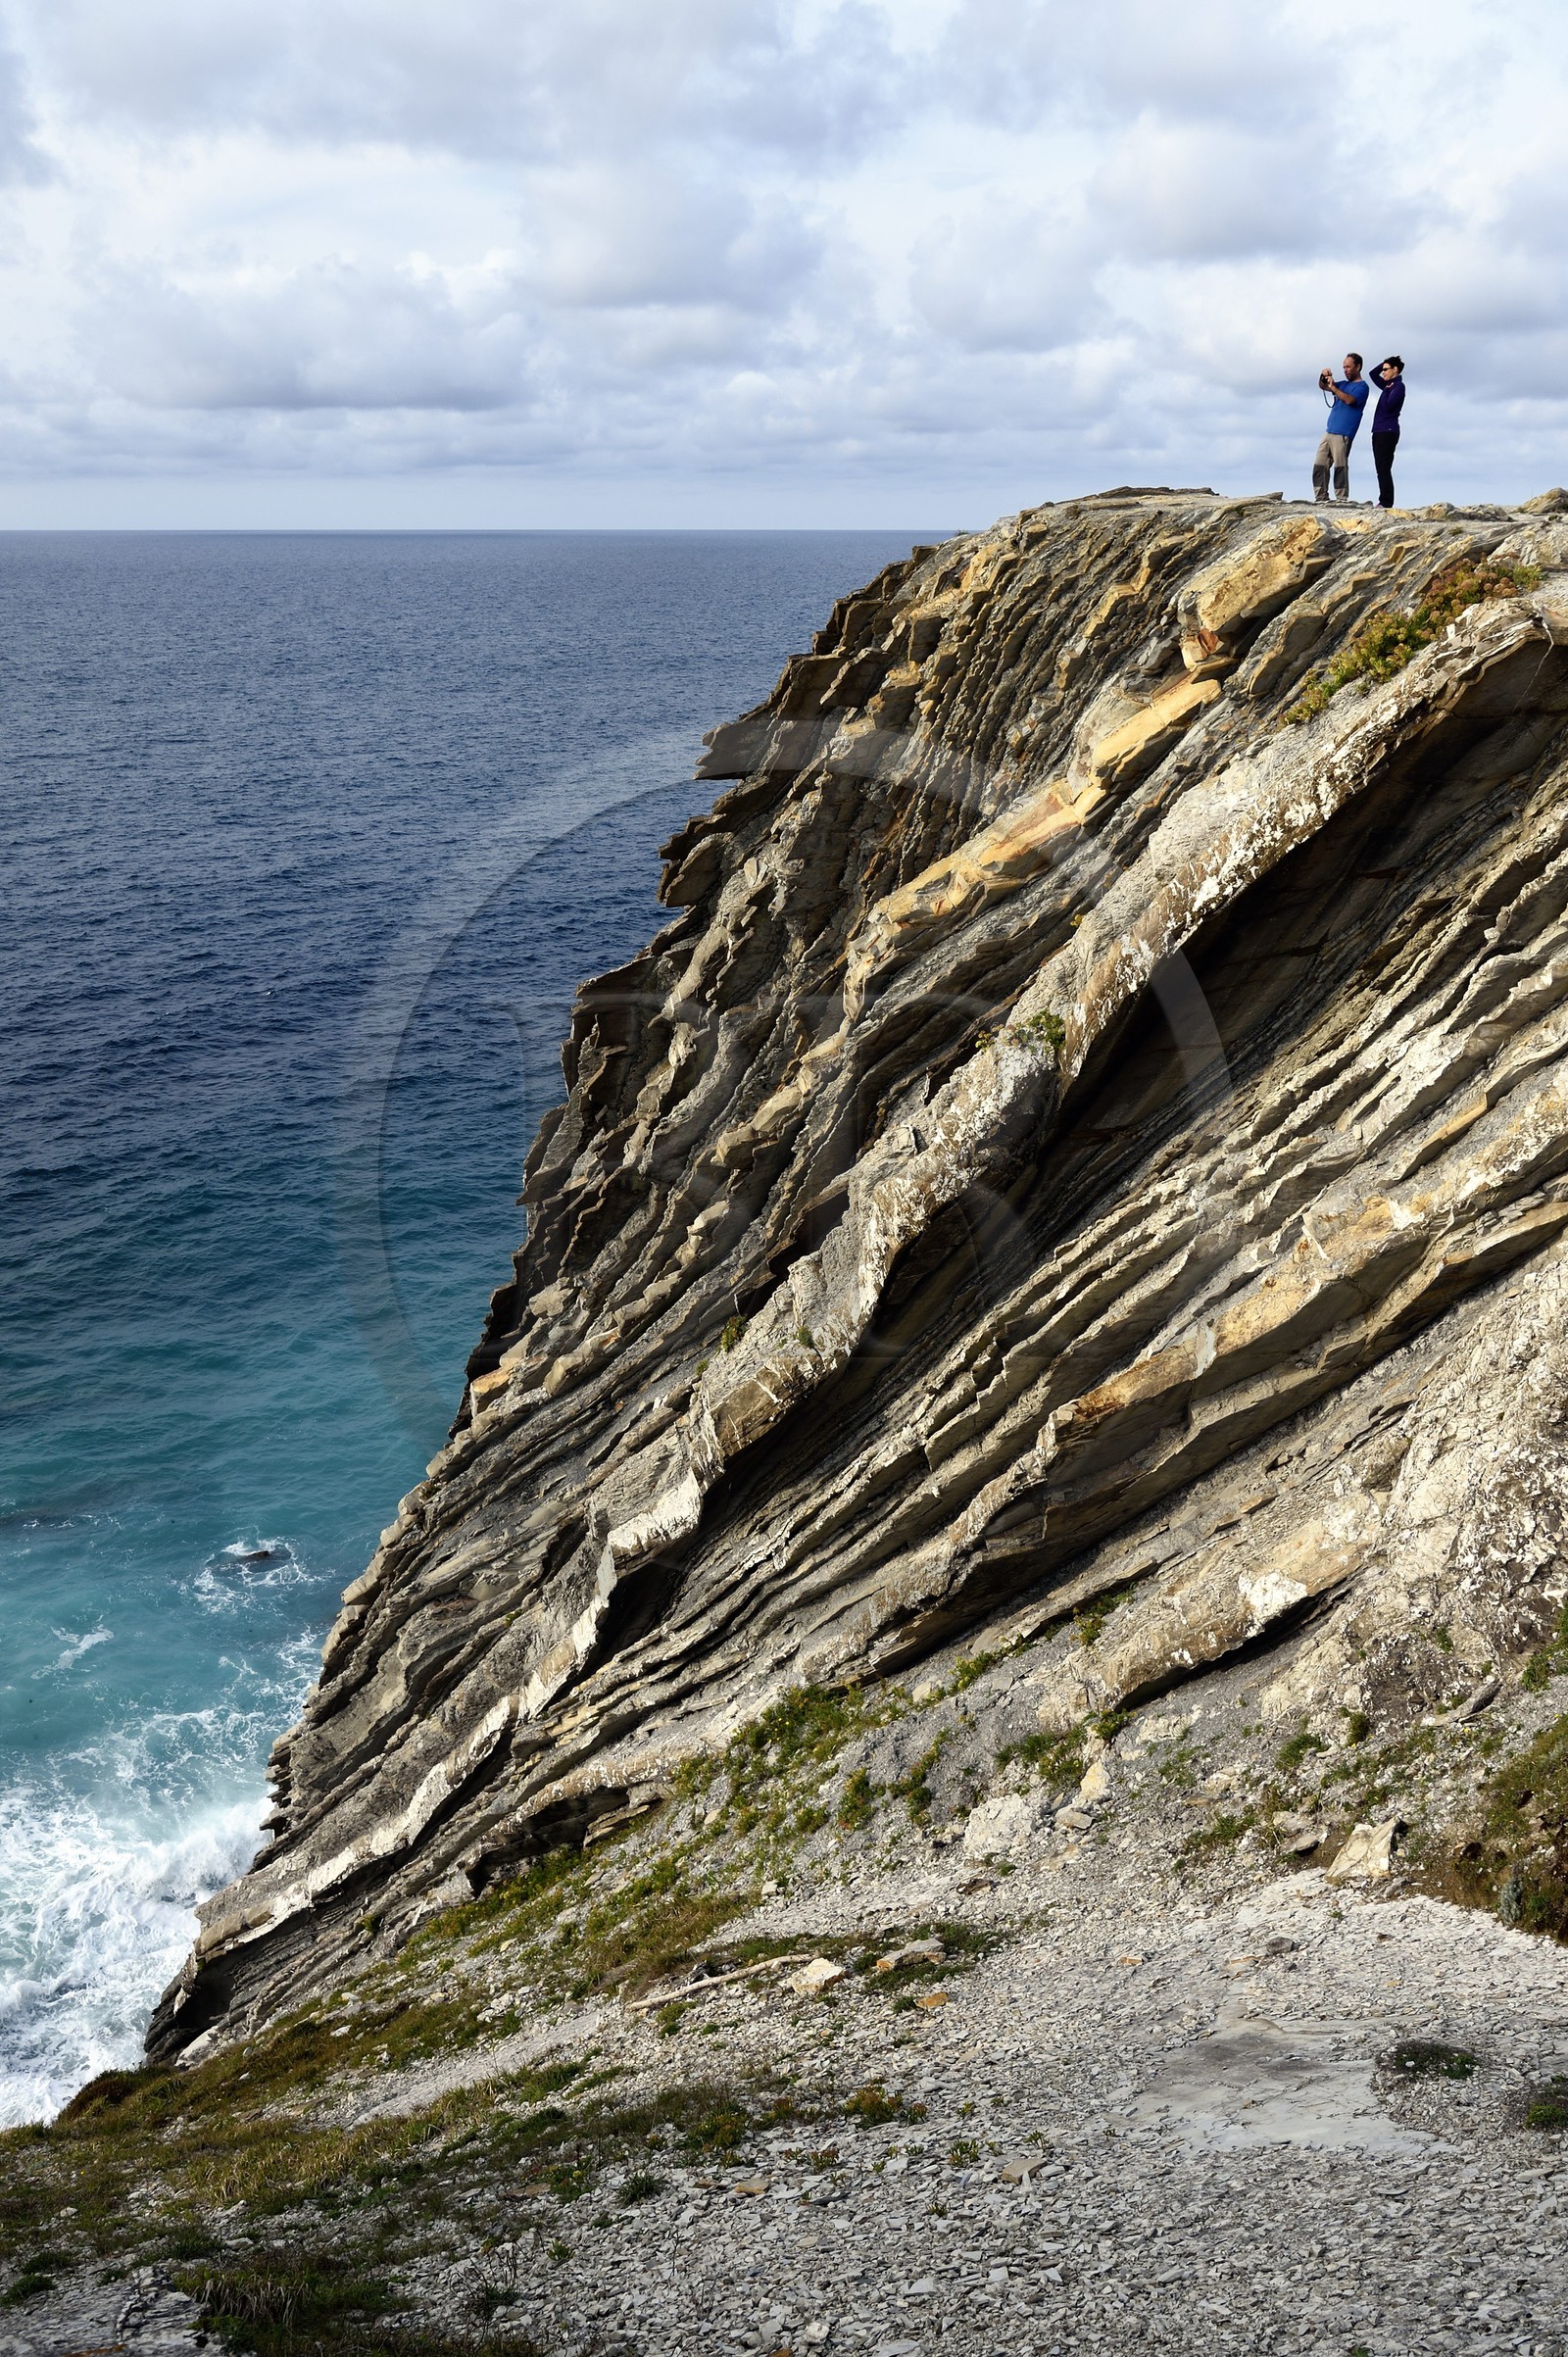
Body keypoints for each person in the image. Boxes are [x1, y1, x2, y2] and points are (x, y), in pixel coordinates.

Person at [1313, 353, 1369, 503]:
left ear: (1358, 367)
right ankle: (1321, 496)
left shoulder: (1363, 387)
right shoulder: (1343, 384)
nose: (1345, 370)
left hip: (1344, 432)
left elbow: (1350, 400)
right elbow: (1323, 386)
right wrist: (1323, 376)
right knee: (1320, 464)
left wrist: (1335, 389)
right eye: (1344, 367)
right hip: (1329, 430)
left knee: (1340, 466)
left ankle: (1341, 498)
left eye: (1348, 367)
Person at [1370, 357, 1405, 509]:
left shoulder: (1398, 386)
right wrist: (1386, 362)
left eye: (1386, 369)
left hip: (1388, 430)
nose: (1382, 372)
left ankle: (1386, 501)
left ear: (1395, 370)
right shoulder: (1388, 385)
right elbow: (1372, 374)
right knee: (1380, 468)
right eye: (1383, 369)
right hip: (1379, 430)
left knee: (1384, 468)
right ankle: (1384, 500)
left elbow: (1390, 406)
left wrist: (1388, 387)